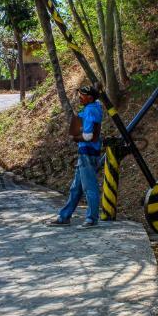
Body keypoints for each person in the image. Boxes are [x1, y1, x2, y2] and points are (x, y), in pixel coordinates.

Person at [49, 85, 103, 228]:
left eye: (82, 95)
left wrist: (76, 137)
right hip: (87, 153)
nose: (79, 97)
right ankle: (64, 216)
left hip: (87, 152)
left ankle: (92, 219)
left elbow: (88, 135)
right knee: (76, 188)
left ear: (90, 98)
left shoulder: (91, 110)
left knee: (89, 187)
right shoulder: (95, 106)